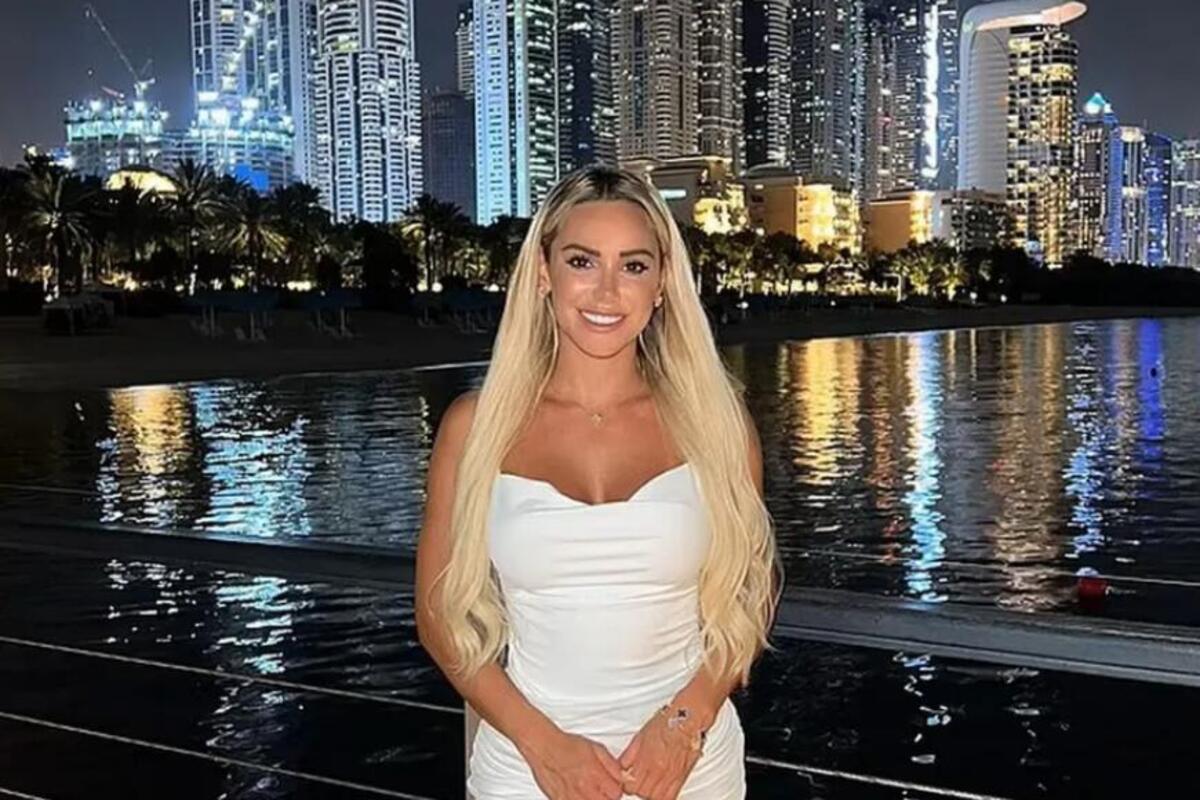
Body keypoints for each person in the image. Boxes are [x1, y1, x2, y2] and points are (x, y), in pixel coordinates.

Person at [415, 165, 783, 800]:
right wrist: (544, 746)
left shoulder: (717, 425)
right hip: (528, 773)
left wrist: (686, 721)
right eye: (582, 261)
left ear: (662, 284)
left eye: (633, 266)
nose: (607, 291)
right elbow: (437, 617)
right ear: (543, 273)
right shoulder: (475, 427)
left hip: (688, 770)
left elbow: (750, 594)